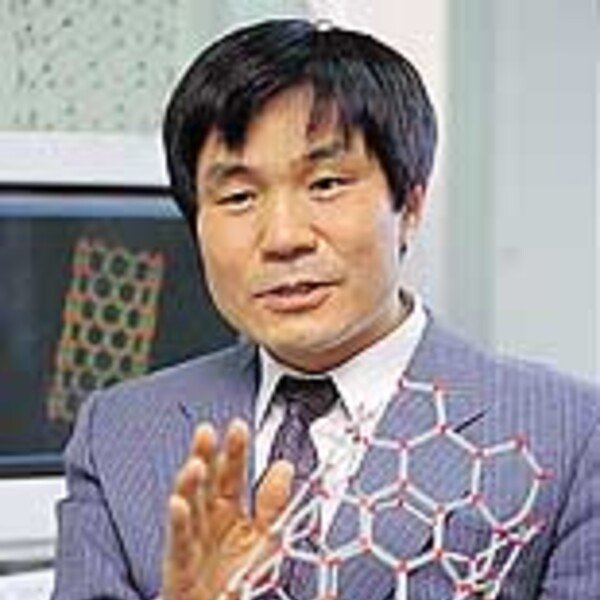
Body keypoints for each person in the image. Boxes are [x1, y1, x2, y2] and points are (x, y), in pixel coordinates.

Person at [51, 18, 600, 600]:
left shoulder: (568, 433)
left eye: (327, 184)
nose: (284, 237)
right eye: (238, 196)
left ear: (410, 206)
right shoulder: (119, 432)